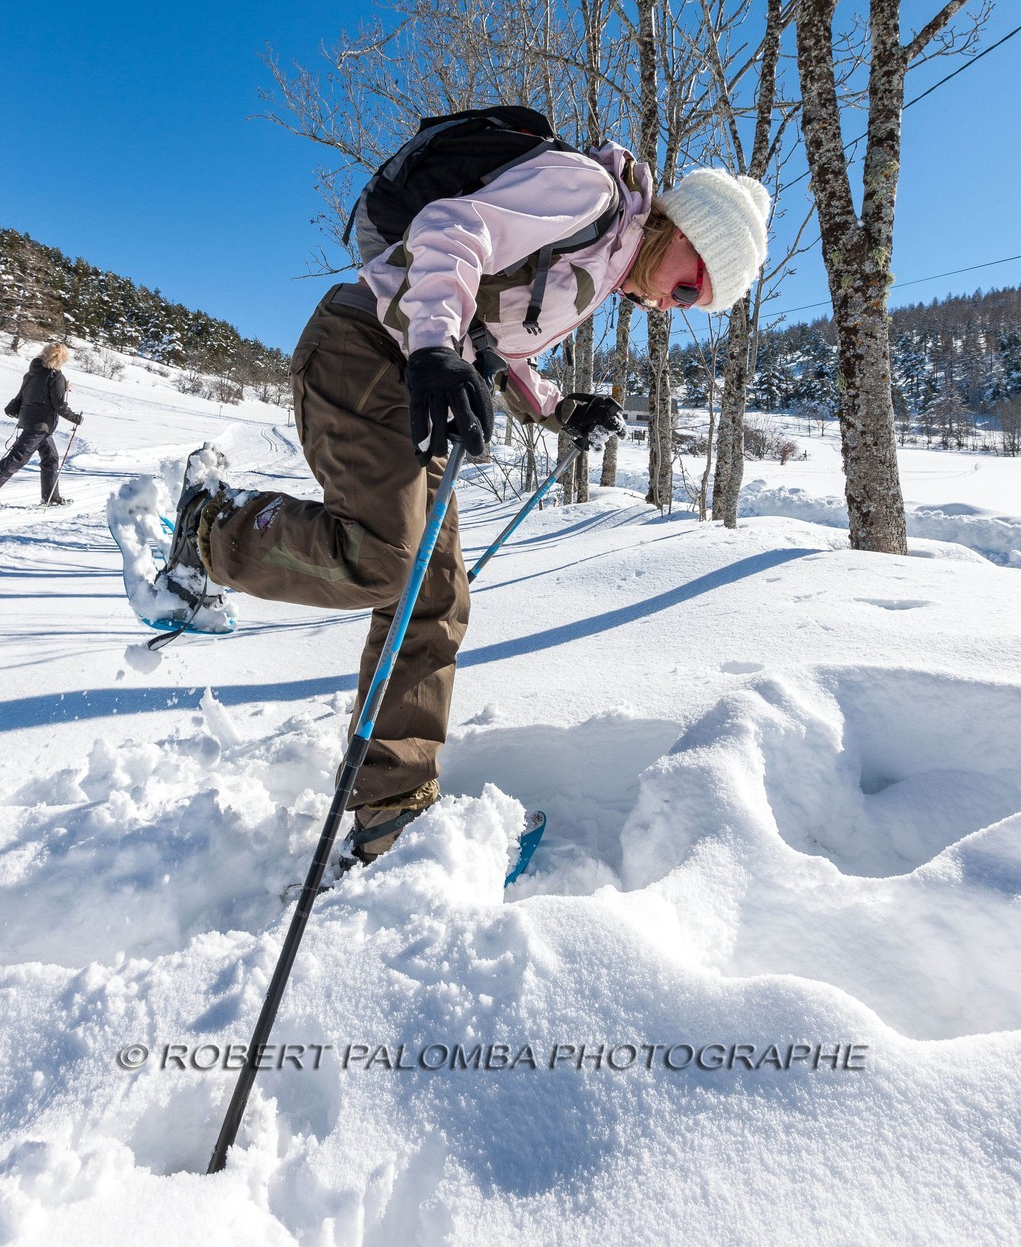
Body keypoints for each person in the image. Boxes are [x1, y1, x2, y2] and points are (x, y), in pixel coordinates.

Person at [163, 141, 769, 862]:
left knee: (433, 595)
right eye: (687, 290)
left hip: (416, 369)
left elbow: (495, 336)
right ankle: (208, 528)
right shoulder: (588, 194)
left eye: (689, 306)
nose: (674, 307)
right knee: (384, 561)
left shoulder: (605, 257)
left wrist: (554, 408)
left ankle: (392, 811)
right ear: (685, 234)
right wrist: (432, 352)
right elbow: (453, 230)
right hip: (367, 349)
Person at [0, 342, 83, 508]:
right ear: (61, 358)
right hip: (39, 425)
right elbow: (59, 405)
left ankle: (51, 497)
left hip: (32, 422)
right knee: (17, 458)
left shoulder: (33, 373)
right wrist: (75, 418)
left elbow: (27, 394)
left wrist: (61, 387)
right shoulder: (56, 377)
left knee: (51, 458)